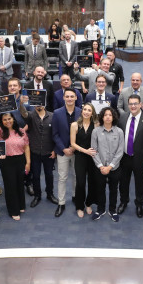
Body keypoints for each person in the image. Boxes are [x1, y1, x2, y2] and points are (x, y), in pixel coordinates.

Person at [118, 95, 143, 218]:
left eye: (135, 103)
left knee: (140, 182)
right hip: (124, 157)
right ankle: (124, 202)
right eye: (131, 104)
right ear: (128, 105)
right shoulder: (123, 118)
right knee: (123, 182)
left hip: (140, 159)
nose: (133, 106)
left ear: (140, 104)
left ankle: (139, 204)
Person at [19, 93, 57, 208]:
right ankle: (37, 196)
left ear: (44, 104)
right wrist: (21, 103)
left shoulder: (52, 116)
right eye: (36, 103)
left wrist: (55, 150)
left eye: (40, 103)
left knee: (49, 175)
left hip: (49, 152)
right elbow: (24, 113)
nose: (38, 105)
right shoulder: (31, 115)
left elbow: (56, 134)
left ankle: (50, 194)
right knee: (35, 176)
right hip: (34, 151)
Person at [0, 112, 29, 220]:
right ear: (1, 121)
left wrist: (28, 162)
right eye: (5, 120)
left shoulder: (21, 131)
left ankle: (21, 205)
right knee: (10, 185)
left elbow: (26, 147)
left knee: (19, 183)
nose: (7, 121)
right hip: (7, 161)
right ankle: (13, 210)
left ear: (13, 119)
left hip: (20, 159)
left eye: (9, 119)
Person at [91, 106, 124, 221]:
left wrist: (110, 167)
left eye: (110, 115)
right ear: (102, 117)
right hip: (99, 167)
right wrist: (101, 166)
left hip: (114, 167)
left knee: (114, 189)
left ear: (113, 117)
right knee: (100, 188)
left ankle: (112, 210)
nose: (108, 117)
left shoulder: (119, 131)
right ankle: (100, 209)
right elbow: (93, 151)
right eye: (105, 115)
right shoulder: (96, 131)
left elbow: (120, 151)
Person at [51, 89, 80, 217]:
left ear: (75, 98)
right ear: (63, 98)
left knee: (76, 175)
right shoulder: (57, 113)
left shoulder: (81, 112)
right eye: (67, 96)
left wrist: (73, 147)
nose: (69, 98)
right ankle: (61, 203)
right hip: (62, 151)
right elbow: (55, 134)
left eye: (71, 96)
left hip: (77, 151)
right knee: (62, 178)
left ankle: (75, 196)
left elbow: (83, 132)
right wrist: (64, 148)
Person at [70, 103, 97, 218]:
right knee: (80, 182)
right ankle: (79, 206)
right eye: (84, 109)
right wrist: (85, 151)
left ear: (92, 113)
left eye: (89, 110)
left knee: (92, 182)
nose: (86, 112)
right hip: (80, 157)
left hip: (93, 158)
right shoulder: (75, 125)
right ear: (81, 111)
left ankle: (88, 203)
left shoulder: (96, 125)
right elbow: (72, 143)